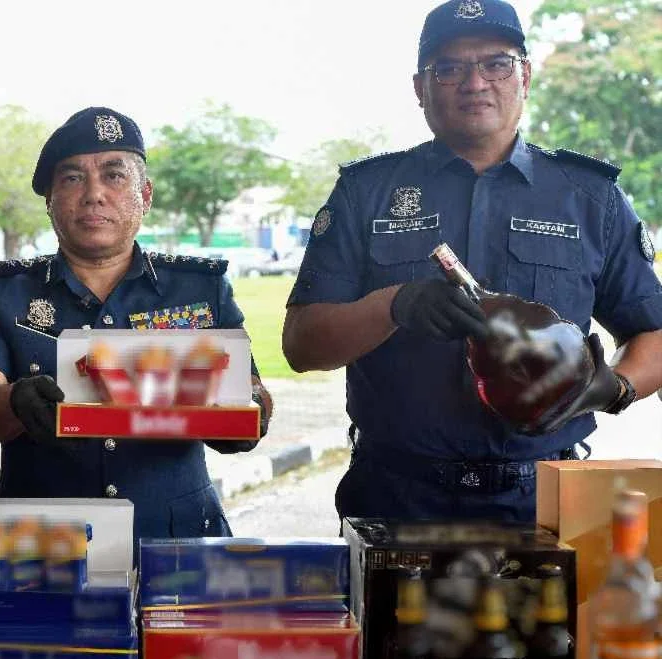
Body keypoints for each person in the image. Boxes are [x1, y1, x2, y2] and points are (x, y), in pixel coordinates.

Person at [282, 0, 662, 523]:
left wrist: (615, 388)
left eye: (496, 64)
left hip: (545, 502)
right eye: (450, 68)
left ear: (524, 76)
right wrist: (394, 306)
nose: (474, 82)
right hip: (395, 499)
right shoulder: (366, 193)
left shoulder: (589, 198)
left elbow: (654, 333)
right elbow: (302, 345)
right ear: (420, 88)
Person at [0, 107, 273, 544]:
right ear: (48, 199)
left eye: (114, 176)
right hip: (43, 546)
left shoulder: (201, 290)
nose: (93, 194)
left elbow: (254, 399)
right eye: (71, 178)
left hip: (176, 543)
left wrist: (246, 407)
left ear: (146, 193)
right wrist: (15, 400)